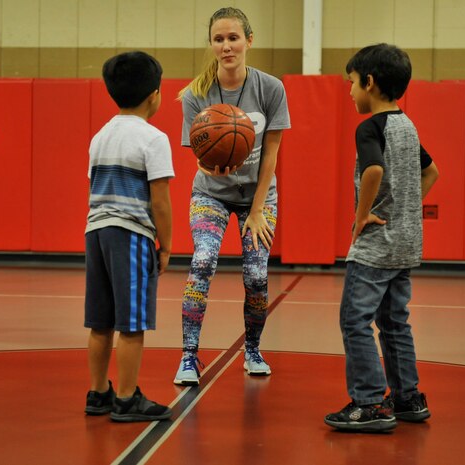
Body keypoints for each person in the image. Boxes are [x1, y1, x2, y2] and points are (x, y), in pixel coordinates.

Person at [324, 44, 439, 432]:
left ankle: (370, 401)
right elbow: (432, 172)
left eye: (352, 83)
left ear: (369, 83)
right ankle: (407, 397)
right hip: (406, 243)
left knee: (355, 321)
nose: (350, 91)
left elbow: (372, 170)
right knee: (394, 322)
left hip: (376, 246)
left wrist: (360, 217)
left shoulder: (370, 127)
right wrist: (407, 209)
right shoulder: (407, 125)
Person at [174, 7, 290, 385]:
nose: (226, 46)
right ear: (211, 44)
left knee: (256, 275)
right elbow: (199, 157)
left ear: (249, 40)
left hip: (259, 197)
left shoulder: (270, 88)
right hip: (211, 194)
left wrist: (257, 211)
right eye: (219, 39)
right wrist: (213, 168)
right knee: (203, 261)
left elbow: (271, 153)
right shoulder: (196, 93)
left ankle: (253, 350)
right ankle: (189, 357)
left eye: (233, 38)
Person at [83, 51, 174, 422]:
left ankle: (99, 392)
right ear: (155, 94)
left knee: (100, 321)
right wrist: (165, 244)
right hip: (131, 233)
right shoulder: (154, 138)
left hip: (95, 231)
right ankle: (125, 399)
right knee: (132, 322)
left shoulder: (100, 136)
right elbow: (160, 201)